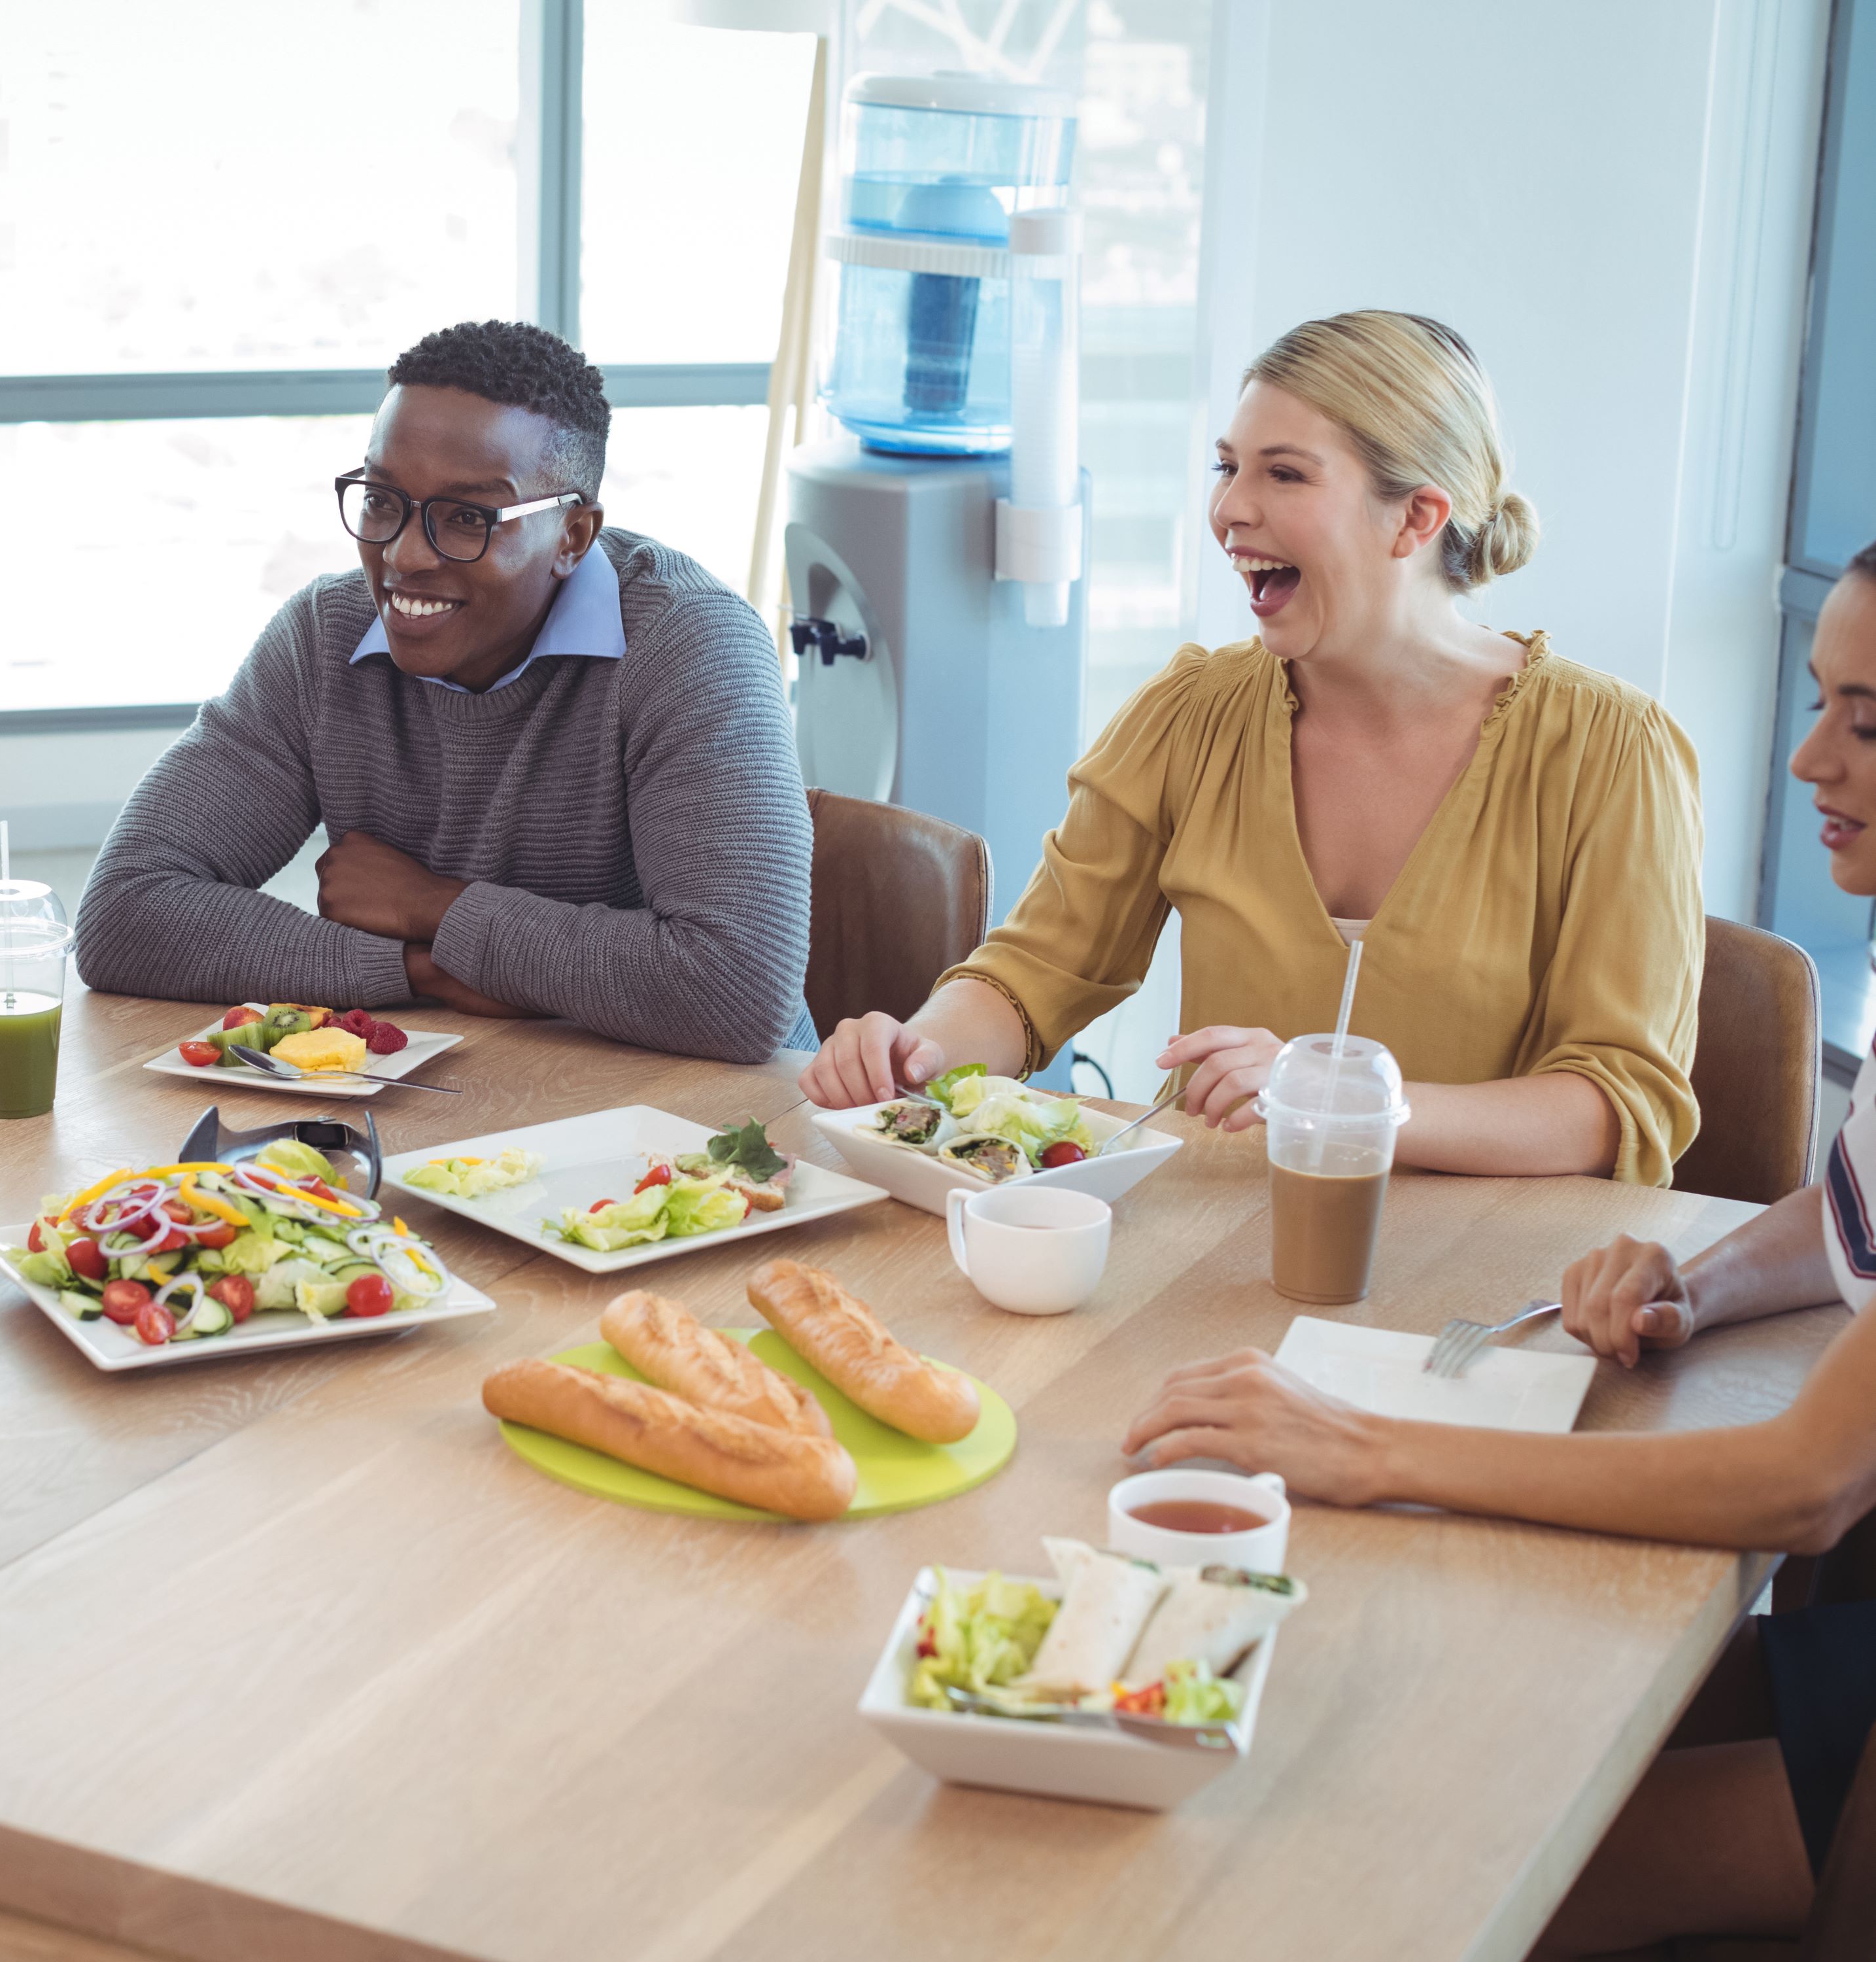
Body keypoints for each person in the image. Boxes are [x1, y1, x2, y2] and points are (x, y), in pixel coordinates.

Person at [1120, 543, 1876, 1954]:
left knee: (1422, 1883)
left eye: (1868, 721)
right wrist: (1694, 1283)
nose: (1808, 757)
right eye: (1822, 699)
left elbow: (1808, 1484)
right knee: (1390, 1746)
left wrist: (1372, 1450)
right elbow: (1852, 1208)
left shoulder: (1605, 745)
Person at [800, 311, 1703, 1183]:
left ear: (1417, 518)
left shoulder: (1613, 752)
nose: (1229, 508)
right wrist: (917, 1054)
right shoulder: (1191, 714)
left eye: (1285, 475)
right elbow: (1034, 974)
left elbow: (1615, 1106)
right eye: (1228, 467)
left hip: (1476, 1273)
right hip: (1209, 1238)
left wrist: (1334, 1101)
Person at [73, 318, 815, 1063]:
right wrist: (418, 968)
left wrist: (433, 904)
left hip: (703, 1133)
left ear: (573, 536)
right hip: (452, 1091)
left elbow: (737, 988)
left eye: (468, 518)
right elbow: (124, 913)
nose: (404, 554)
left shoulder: (691, 647)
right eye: (382, 501)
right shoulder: (324, 638)